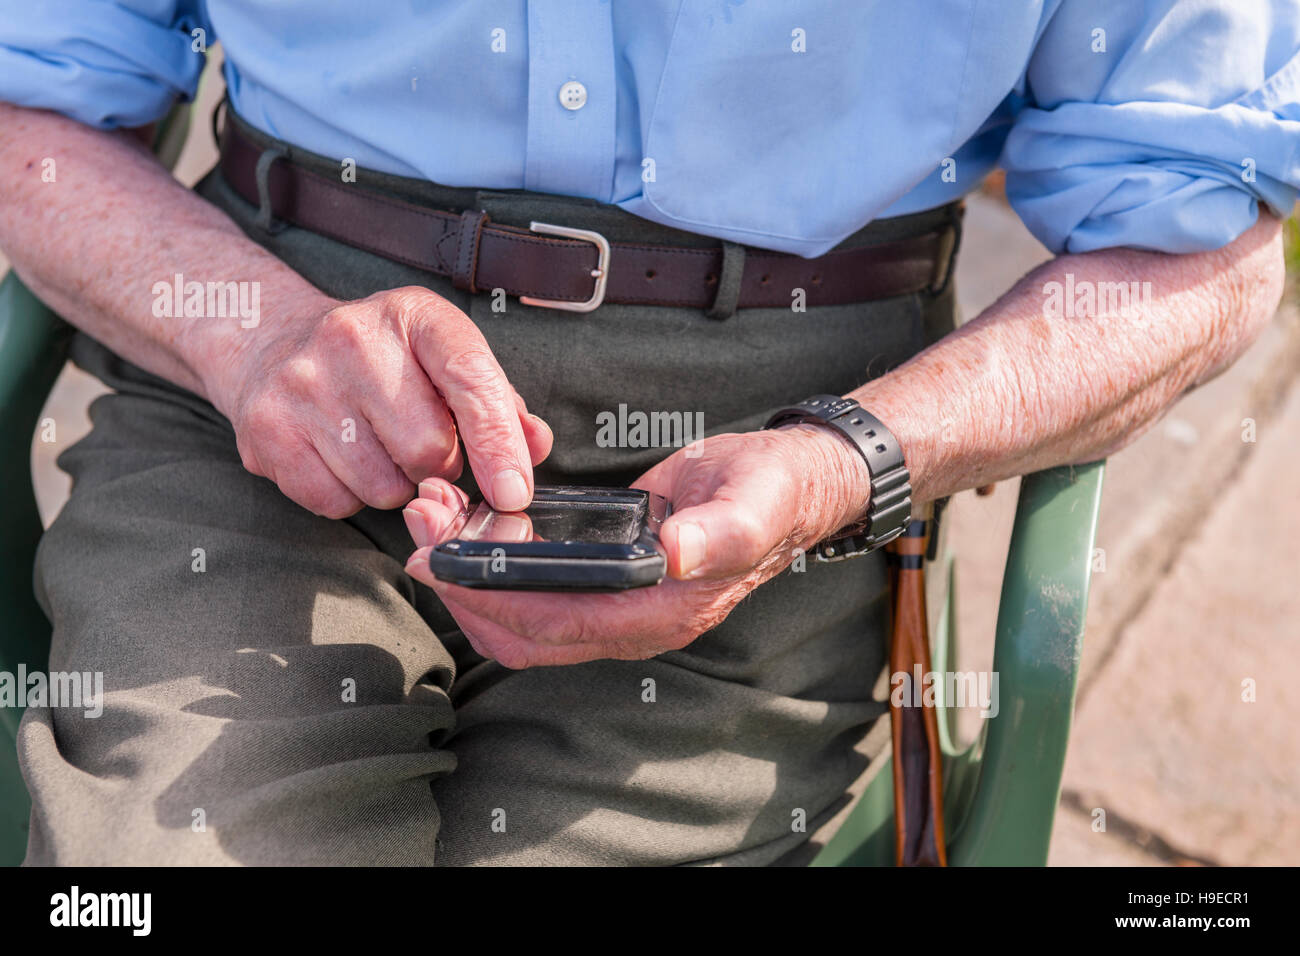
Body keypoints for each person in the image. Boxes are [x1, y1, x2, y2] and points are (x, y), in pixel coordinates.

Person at [0, 2, 1294, 866]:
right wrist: (251, 338)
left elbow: (1201, 251)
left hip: (790, 459)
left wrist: (852, 460)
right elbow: (29, 101)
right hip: (268, 396)